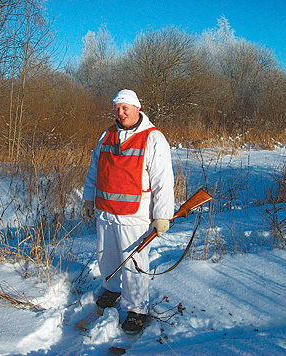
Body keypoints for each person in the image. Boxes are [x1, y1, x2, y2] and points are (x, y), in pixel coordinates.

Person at [82, 89, 175, 334]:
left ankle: (136, 309)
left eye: (125, 108)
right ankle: (112, 289)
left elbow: (163, 180)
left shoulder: (153, 138)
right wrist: (88, 199)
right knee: (106, 255)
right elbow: (95, 170)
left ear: (136, 108)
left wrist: (162, 215)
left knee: (134, 263)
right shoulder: (107, 135)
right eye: (117, 108)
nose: (120, 113)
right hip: (105, 211)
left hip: (134, 215)